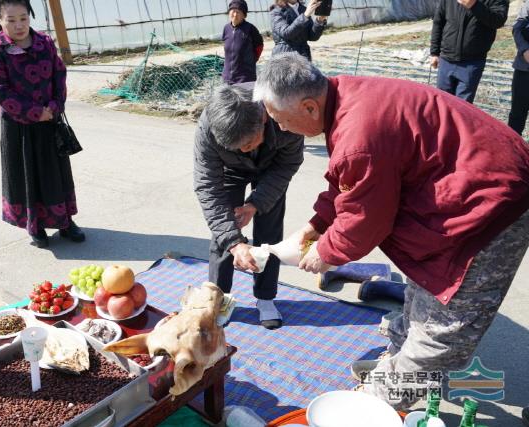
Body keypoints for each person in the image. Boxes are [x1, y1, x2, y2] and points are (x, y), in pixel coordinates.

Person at [253, 52, 529, 409]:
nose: (281, 127)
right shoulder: (344, 97)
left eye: (279, 118)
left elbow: (366, 221)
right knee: (423, 283)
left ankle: (380, 401)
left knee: (443, 329)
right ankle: (395, 367)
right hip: (464, 182)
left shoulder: (357, 134)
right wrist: (313, 226)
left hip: (490, 203)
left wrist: (322, 255)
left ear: (307, 107)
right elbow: (348, 184)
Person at [193, 83, 304, 329]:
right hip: (230, 170)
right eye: (237, 146)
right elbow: (208, 186)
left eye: (250, 142)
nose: (245, 149)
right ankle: (218, 298)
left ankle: (265, 298)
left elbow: (288, 164)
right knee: (223, 232)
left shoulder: (284, 113)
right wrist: (234, 243)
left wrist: (255, 203)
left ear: (264, 119)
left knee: (270, 231)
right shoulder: (209, 127)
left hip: (272, 167)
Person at [0, 0, 84, 248]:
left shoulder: (45, 44)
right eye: (11, 20)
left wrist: (55, 105)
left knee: (56, 174)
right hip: (19, 127)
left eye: (23, 18)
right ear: (0, 20)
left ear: (30, 17)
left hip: (50, 121)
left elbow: (59, 74)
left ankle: (65, 222)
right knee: (28, 176)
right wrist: (34, 112)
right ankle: (35, 226)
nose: (19, 25)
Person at [430, 0, 508, 103]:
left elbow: (498, 20)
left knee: (462, 107)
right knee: (442, 103)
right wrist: (434, 53)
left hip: (472, 62)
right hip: (446, 59)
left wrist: (474, 5)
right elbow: (438, 22)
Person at [222, 0, 264, 84]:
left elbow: (259, 46)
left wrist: (252, 61)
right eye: (233, 11)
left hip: (245, 78)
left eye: (238, 12)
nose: (235, 15)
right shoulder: (226, 28)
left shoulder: (250, 29)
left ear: (244, 15)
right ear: (229, 12)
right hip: (227, 77)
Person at [508, 0, 529, 136]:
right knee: (517, 115)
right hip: (525, 70)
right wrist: (525, 49)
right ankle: (511, 152)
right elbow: (517, 29)